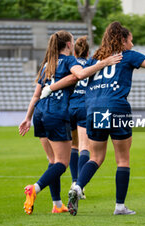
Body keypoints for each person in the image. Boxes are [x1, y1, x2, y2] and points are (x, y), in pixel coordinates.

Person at [41, 22, 145, 216]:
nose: (132, 45)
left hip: (93, 109)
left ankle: (77, 187)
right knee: (122, 160)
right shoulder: (126, 56)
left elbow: (76, 78)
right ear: (122, 40)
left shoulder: (94, 60)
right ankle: (119, 207)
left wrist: (50, 88)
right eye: (130, 40)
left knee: (96, 157)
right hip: (117, 108)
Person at [18, 30, 122, 215]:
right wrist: (104, 63)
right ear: (67, 45)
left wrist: (27, 118)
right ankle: (35, 188)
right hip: (56, 113)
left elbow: (36, 95)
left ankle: (57, 205)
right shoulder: (69, 60)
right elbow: (79, 75)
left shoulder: (47, 65)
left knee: (52, 161)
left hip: (40, 113)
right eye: (72, 41)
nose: (73, 44)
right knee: (62, 164)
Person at [68, 36, 91, 200]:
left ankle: (74, 180)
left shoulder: (71, 64)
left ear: (74, 52)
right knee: (85, 146)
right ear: (88, 52)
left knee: (73, 145)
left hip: (69, 107)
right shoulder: (91, 65)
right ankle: (79, 187)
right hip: (85, 106)